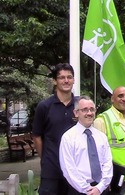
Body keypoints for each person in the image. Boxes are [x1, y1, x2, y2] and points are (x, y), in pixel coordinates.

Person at [32, 63, 77, 195]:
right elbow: (37, 136)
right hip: (52, 171)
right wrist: (45, 159)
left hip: (76, 171)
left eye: (69, 77)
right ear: (55, 81)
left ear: (74, 80)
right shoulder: (44, 106)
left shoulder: (80, 106)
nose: (66, 80)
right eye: (62, 77)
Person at [59, 96, 113, 195]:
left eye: (92, 109)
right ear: (76, 113)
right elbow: (69, 169)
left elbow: (107, 163)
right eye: (84, 110)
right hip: (79, 190)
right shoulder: (68, 138)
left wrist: (100, 188)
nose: (89, 113)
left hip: (101, 189)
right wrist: (87, 190)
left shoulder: (101, 136)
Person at [93, 86, 125, 195]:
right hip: (117, 180)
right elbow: (97, 154)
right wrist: (104, 180)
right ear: (112, 99)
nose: (124, 98)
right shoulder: (102, 120)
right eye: (120, 96)